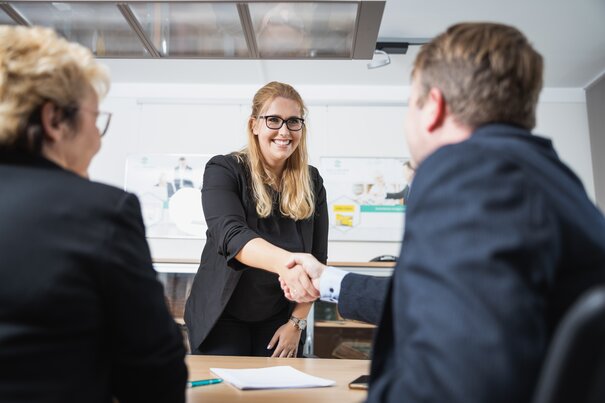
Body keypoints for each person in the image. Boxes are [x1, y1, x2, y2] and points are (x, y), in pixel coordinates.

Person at [282, 22, 605, 403]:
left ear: (433, 107)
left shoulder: (467, 170)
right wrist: (330, 280)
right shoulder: (554, 181)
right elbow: (456, 305)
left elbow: (458, 379)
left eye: (410, 104)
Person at [0, 26, 187, 403]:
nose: (99, 140)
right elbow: (155, 374)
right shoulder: (101, 211)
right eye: (96, 120)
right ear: (54, 120)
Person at [184, 81, 328, 358]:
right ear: (254, 125)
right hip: (221, 314)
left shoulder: (312, 181)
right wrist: (287, 266)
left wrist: (296, 323)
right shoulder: (224, 169)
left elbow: (317, 258)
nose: (284, 131)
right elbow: (230, 234)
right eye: (273, 120)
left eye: (293, 121)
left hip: (279, 315)